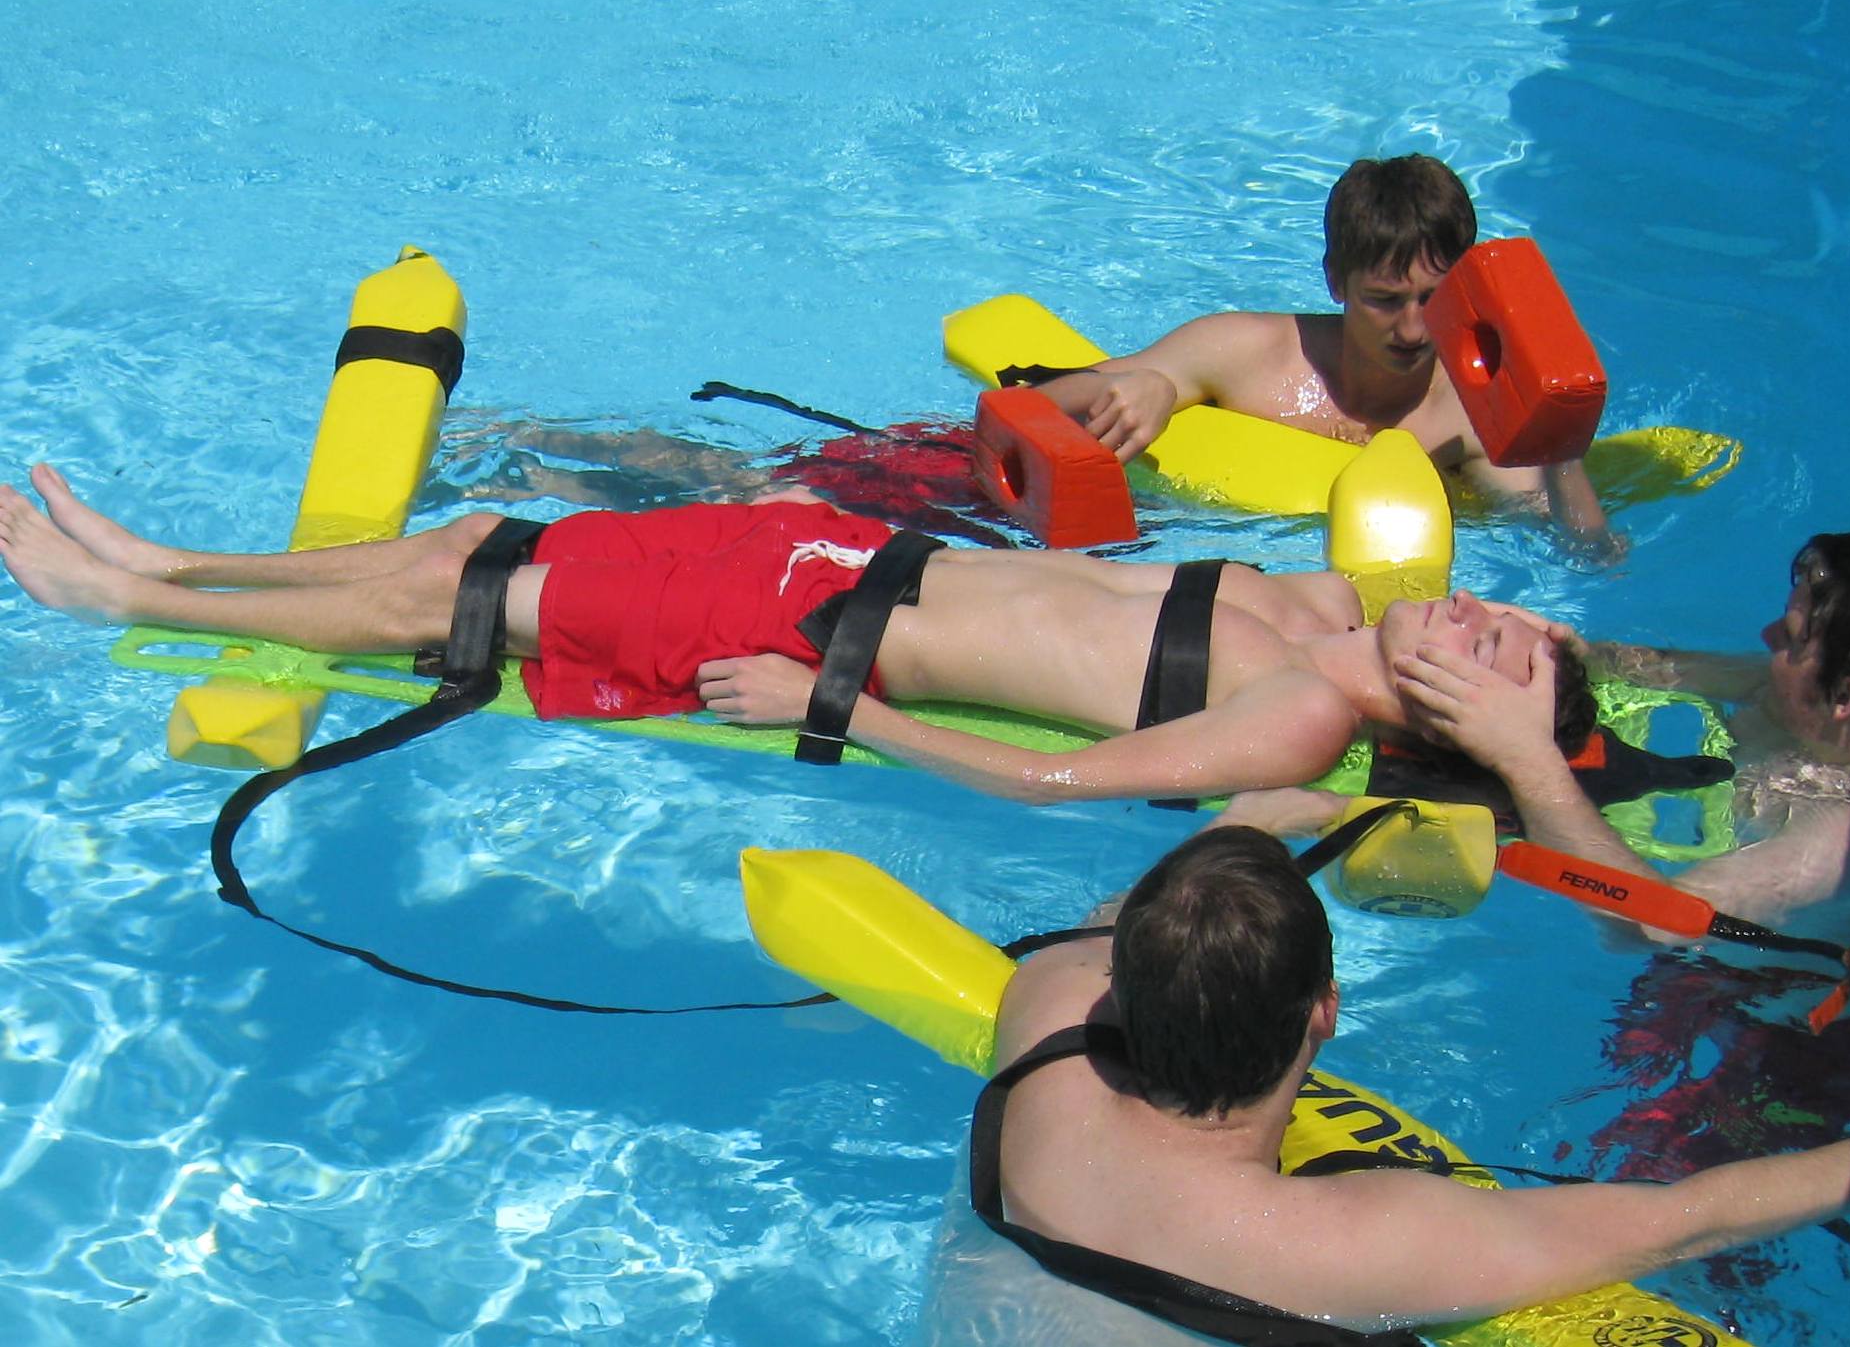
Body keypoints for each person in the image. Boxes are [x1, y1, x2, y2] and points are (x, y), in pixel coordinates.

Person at [0, 464, 1593, 806]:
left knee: (482, 607)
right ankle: (182, 556)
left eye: (1504, 646)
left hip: (813, 624)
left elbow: (1054, 783)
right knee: (492, 541)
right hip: (846, 546)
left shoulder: (1295, 723)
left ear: (1460, 715)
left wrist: (827, 708)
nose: (1489, 612)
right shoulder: (1317, 610)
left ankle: (119, 595)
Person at [986, 825, 1850, 1334]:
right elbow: (1680, 1219)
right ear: (1326, 1011)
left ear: (1119, 987)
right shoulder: (1351, 1239)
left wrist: (1250, 845)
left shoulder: (1044, 1022)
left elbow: (1112, 922)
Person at [1388, 533, 1850, 932]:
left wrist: (1526, 759)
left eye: (1791, 640)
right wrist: (1548, 650)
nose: (1767, 639)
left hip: (1789, 1029)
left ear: (1847, 700)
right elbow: (1638, 669)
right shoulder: (1800, 697)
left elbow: (1652, 923)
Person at [1029, 155, 1614, 550]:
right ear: (1336, 282)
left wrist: (1561, 446)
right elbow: (1034, 402)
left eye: (1433, 300)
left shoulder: (1469, 418)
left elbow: (1582, 554)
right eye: (1384, 301)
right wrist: (1150, 384)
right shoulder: (1245, 351)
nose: (1412, 329)